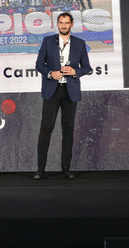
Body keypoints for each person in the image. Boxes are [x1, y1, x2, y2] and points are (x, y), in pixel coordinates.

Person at [34, 12, 92, 179]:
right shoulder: (48, 41)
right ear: (57, 24)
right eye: (61, 23)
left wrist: (76, 71)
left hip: (70, 91)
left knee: (68, 130)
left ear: (72, 24)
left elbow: (87, 67)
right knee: (46, 128)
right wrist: (51, 73)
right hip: (52, 90)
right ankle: (40, 169)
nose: (64, 25)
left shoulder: (80, 44)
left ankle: (66, 168)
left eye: (67, 23)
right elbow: (39, 64)